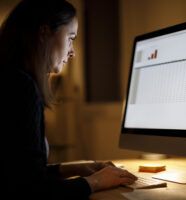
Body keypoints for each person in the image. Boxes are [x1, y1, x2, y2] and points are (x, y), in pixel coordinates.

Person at [0, 0, 137, 198]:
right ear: (44, 33)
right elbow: (31, 190)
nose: (72, 51)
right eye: (71, 38)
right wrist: (96, 181)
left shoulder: (10, 78)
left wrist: (77, 168)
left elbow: (19, 173)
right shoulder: (20, 88)